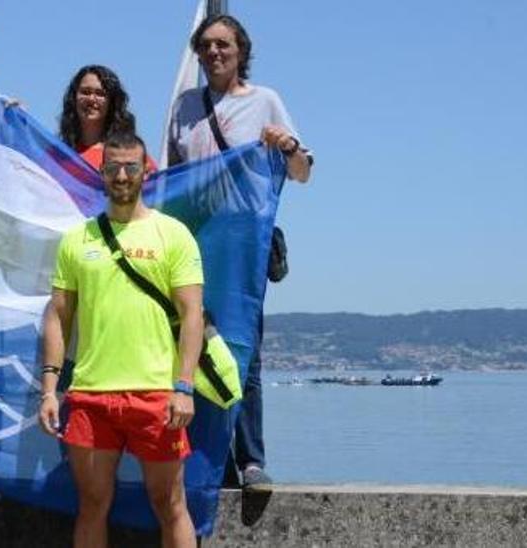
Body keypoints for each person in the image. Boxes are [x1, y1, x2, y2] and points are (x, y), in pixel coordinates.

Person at [165, 14, 315, 489]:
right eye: (206, 45)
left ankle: (250, 459)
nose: (213, 53)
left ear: (240, 51)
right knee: (192, 348)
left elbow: (302, 171)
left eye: (223, 45)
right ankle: (209, 460)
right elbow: (174, 177)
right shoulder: (186, 105)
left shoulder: (266, 101)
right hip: (194, 241)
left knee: (242, 349)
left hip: (242, 246)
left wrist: (287, 143)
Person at [39, 132, 205, 548]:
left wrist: (184, 386)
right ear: (102, 172)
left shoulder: (174, 234)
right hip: (92, 394)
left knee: (168, 503)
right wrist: (49, 388)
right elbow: (59, 315)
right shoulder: (77, 240)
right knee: (93, 503)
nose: (122, 175)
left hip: (156, 394)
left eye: (131, 166)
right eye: (113, 167)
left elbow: (192, 316)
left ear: (146, 171)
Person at [58, 65, 157, 172]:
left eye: (100, 94)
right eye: (85, 92)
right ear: (74, 98)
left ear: (112, 102)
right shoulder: (55, 157)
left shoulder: (133, 158)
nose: (91, 99)